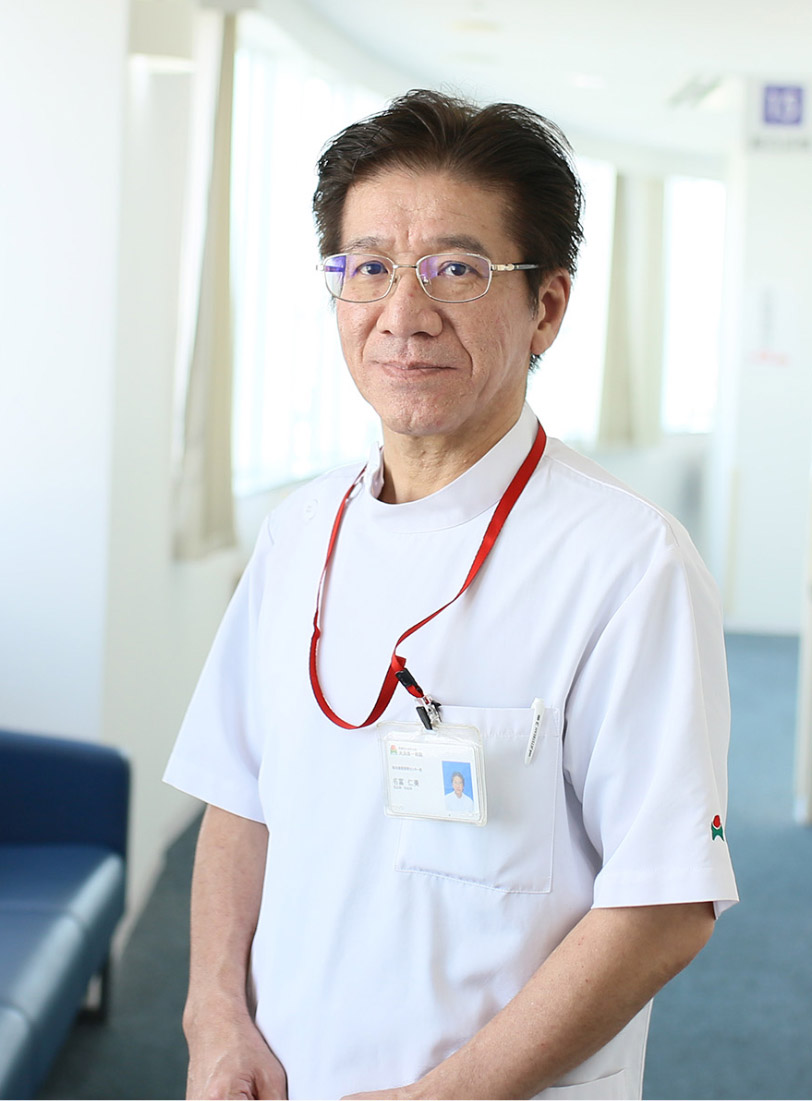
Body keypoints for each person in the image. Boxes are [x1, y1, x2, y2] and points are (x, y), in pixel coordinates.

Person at [165, 89, 738, 1100]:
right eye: (369, 267)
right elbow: (238, 799)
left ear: (546, 307)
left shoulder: (626, 561)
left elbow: (663, 904)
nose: (403, 314)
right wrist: (213, 1018)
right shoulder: (298, 532)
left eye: (455, 270)